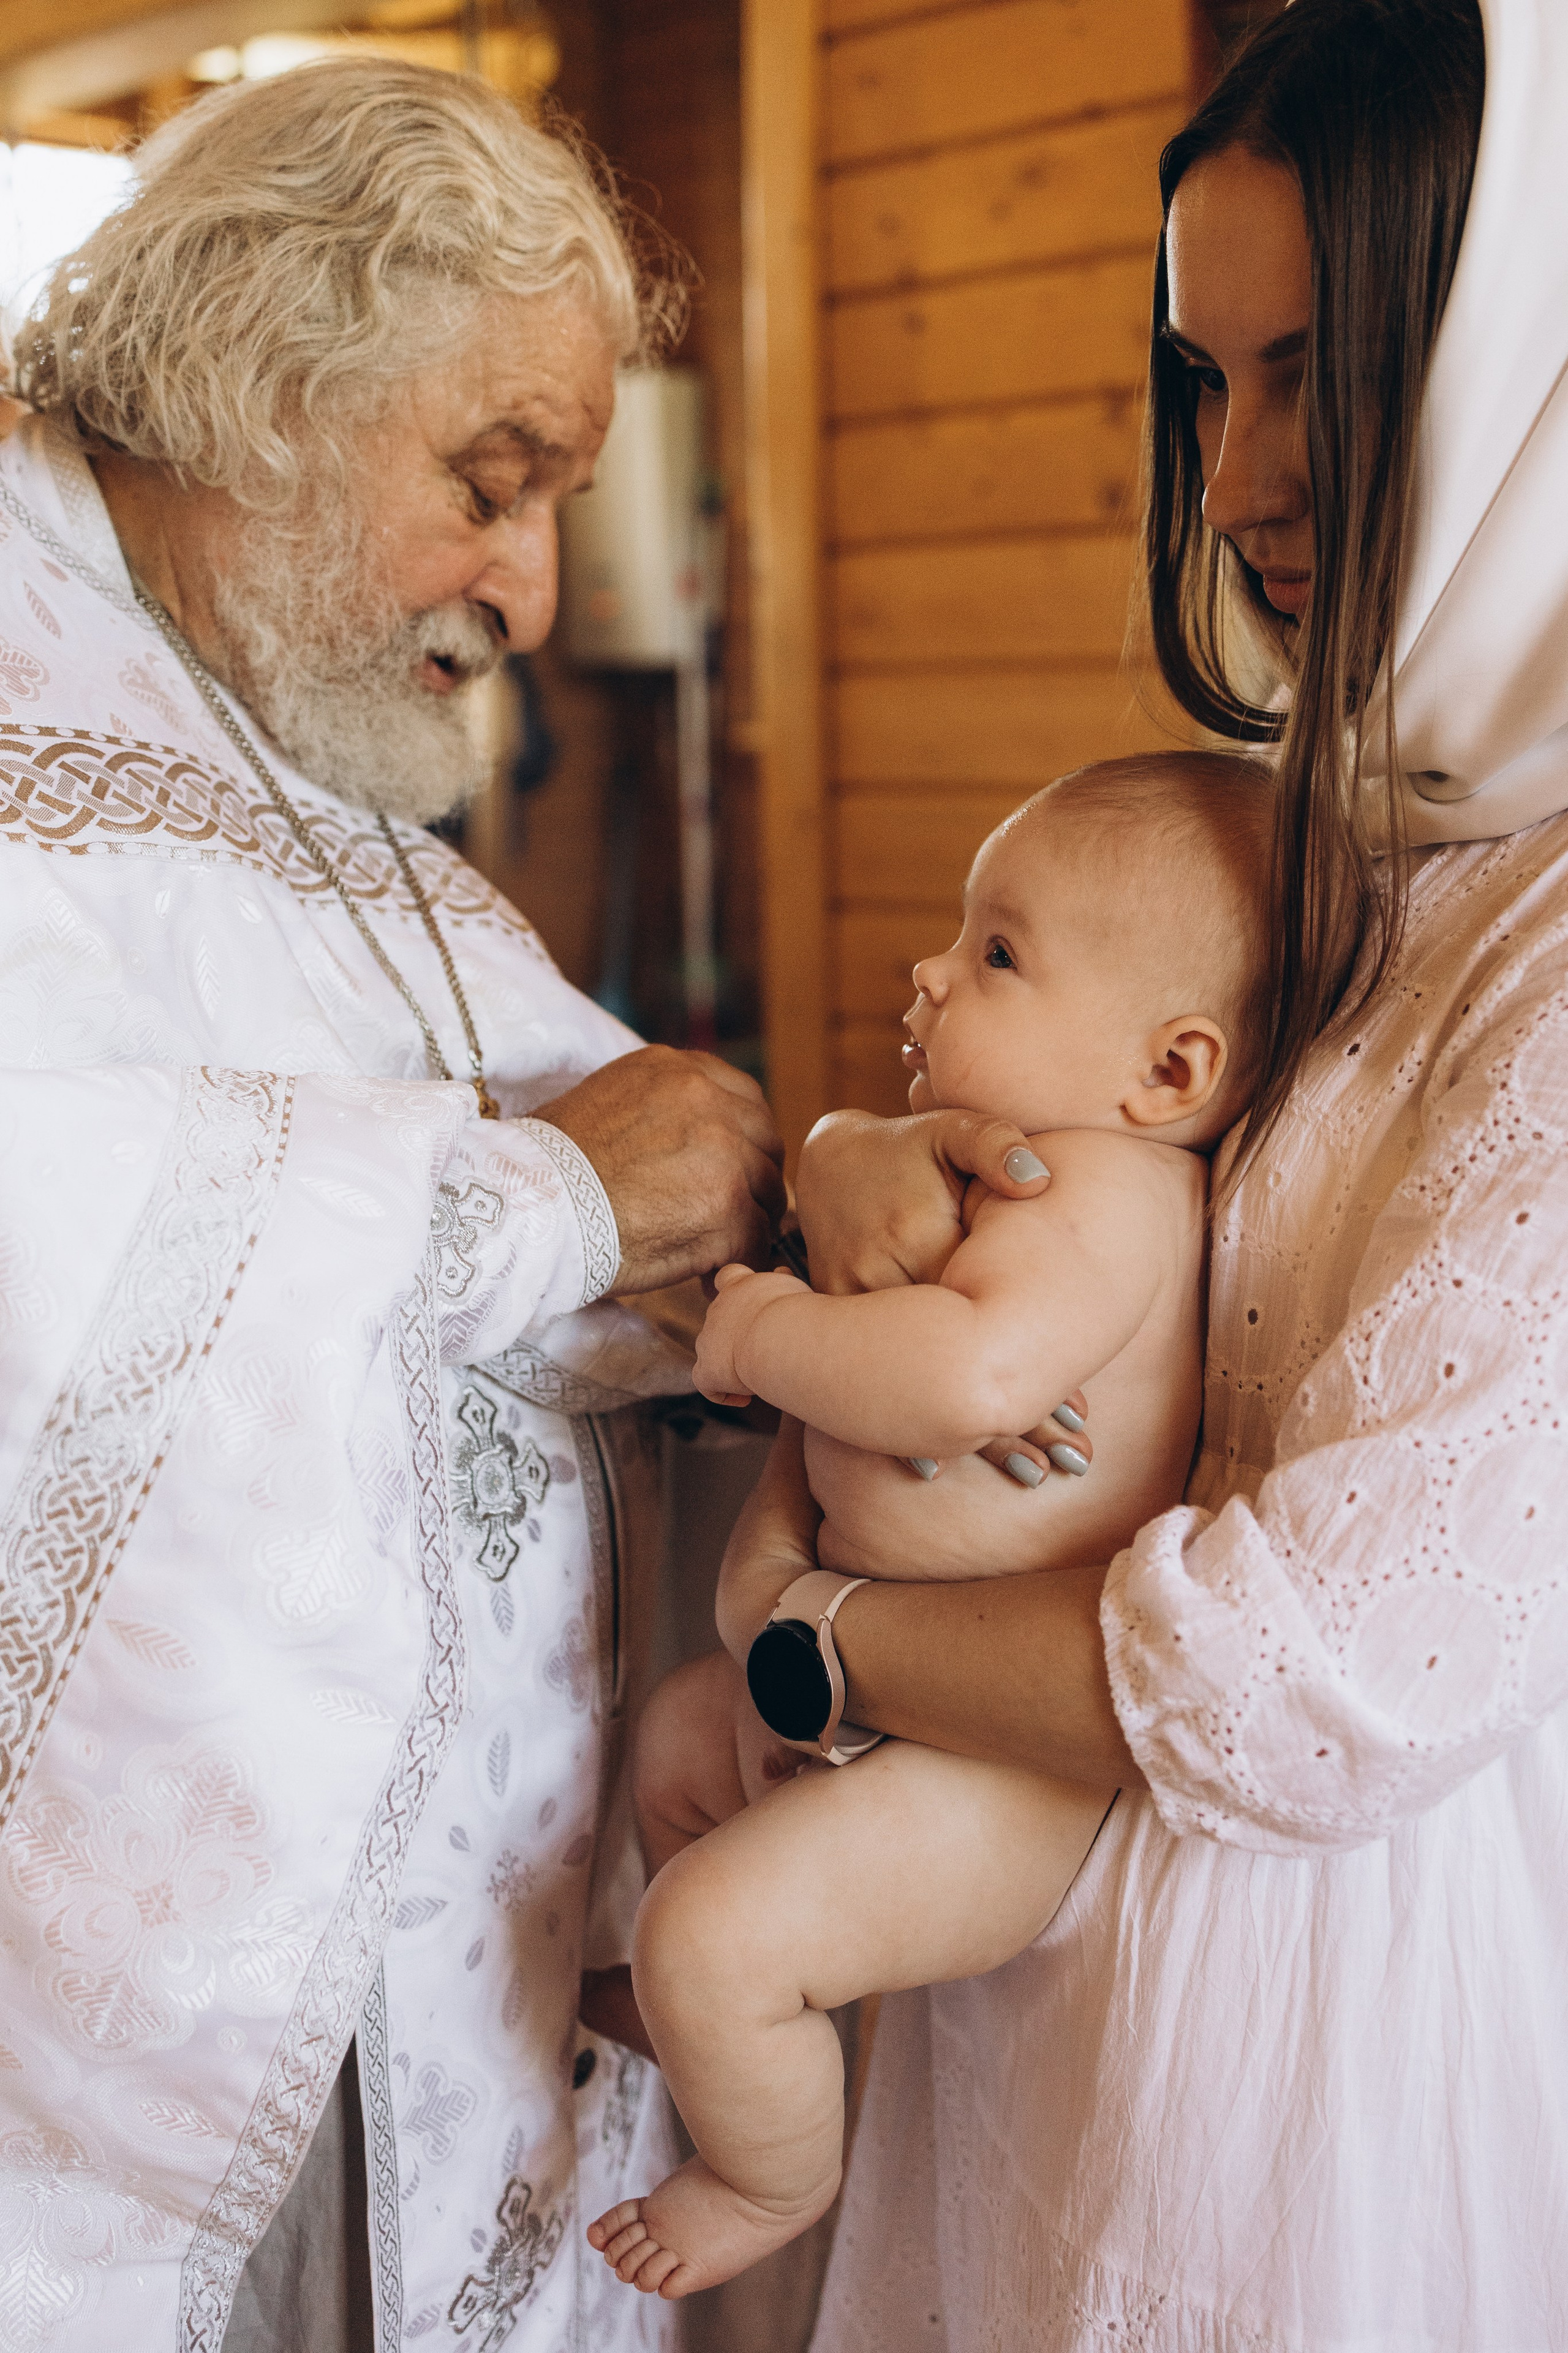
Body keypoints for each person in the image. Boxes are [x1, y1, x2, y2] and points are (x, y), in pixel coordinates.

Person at [712, 0, 1568, 2345]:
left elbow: (1324, 1680)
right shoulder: (1359, 811)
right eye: (1211, 382)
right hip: (1059, 1926)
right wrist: (873, 1163)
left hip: (1337, 2025)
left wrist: (814, 1636)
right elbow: (1058, 1139)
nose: (1239, 481)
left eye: (1316, 373)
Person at [0, 59, 804, 2353]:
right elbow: (44, 1255)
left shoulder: (261, 708)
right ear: (260, 383)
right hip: (153, 2040)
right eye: (493, 478)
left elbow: (620, 1123)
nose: (536, 585)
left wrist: (795, 1200)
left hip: (435, 1978)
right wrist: (550, 1200)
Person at [585, 753, 1273, 2298]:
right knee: (683, 1752)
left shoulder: (1103, 1193)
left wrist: (757, 1336)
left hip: (994, 1760)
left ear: (1167, 1071)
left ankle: (769, 2171)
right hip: (877, 1695)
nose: (930, 969)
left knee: (708, 1931)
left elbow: (966, 1379)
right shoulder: (1001, 1178)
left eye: (995, 954)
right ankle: (728, 2018)